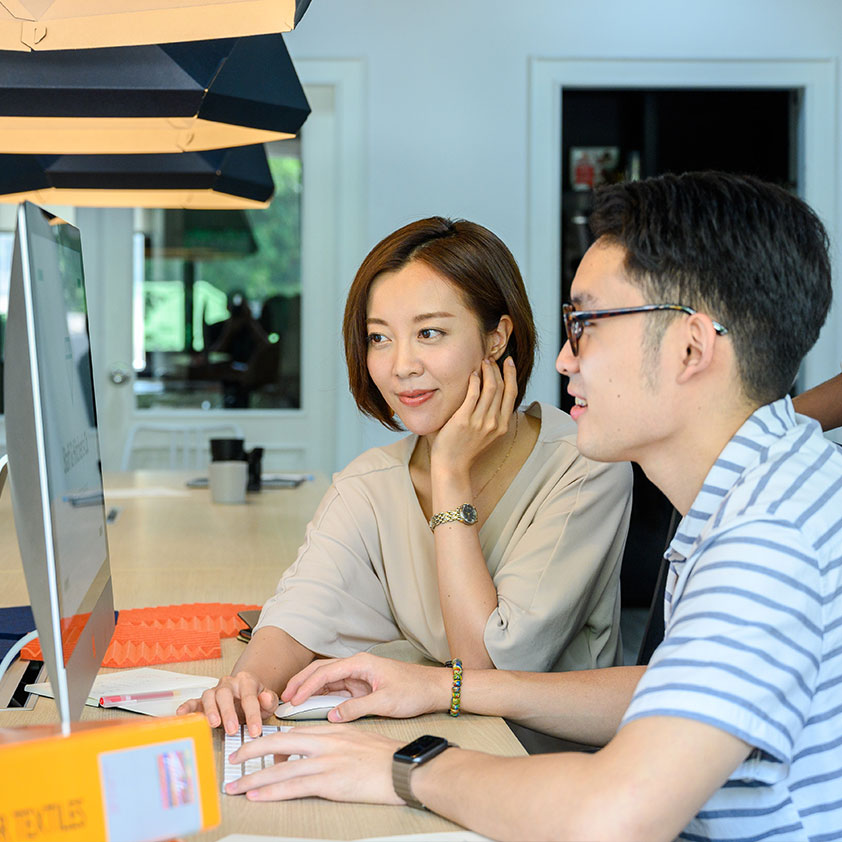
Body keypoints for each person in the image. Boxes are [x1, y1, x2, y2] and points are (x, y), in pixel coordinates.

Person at [224, 173, 842, 842]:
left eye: (589, 325)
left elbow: (614, 816)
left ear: (692, 346)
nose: (567, 359)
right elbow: (664, 688)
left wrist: (403, 768)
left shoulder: (769, 537)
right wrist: (444, 689)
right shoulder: (766, 490)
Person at [180, 217, 633, 736]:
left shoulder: (584, 462)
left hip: (540, 768)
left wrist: (449, 471)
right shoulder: (370, 483)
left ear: (495, 339)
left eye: (429, 333)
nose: (401, 366)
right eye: (380, 338)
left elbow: (488, 672)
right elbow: (301, 609)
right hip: (426, 742)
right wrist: (246, 684)